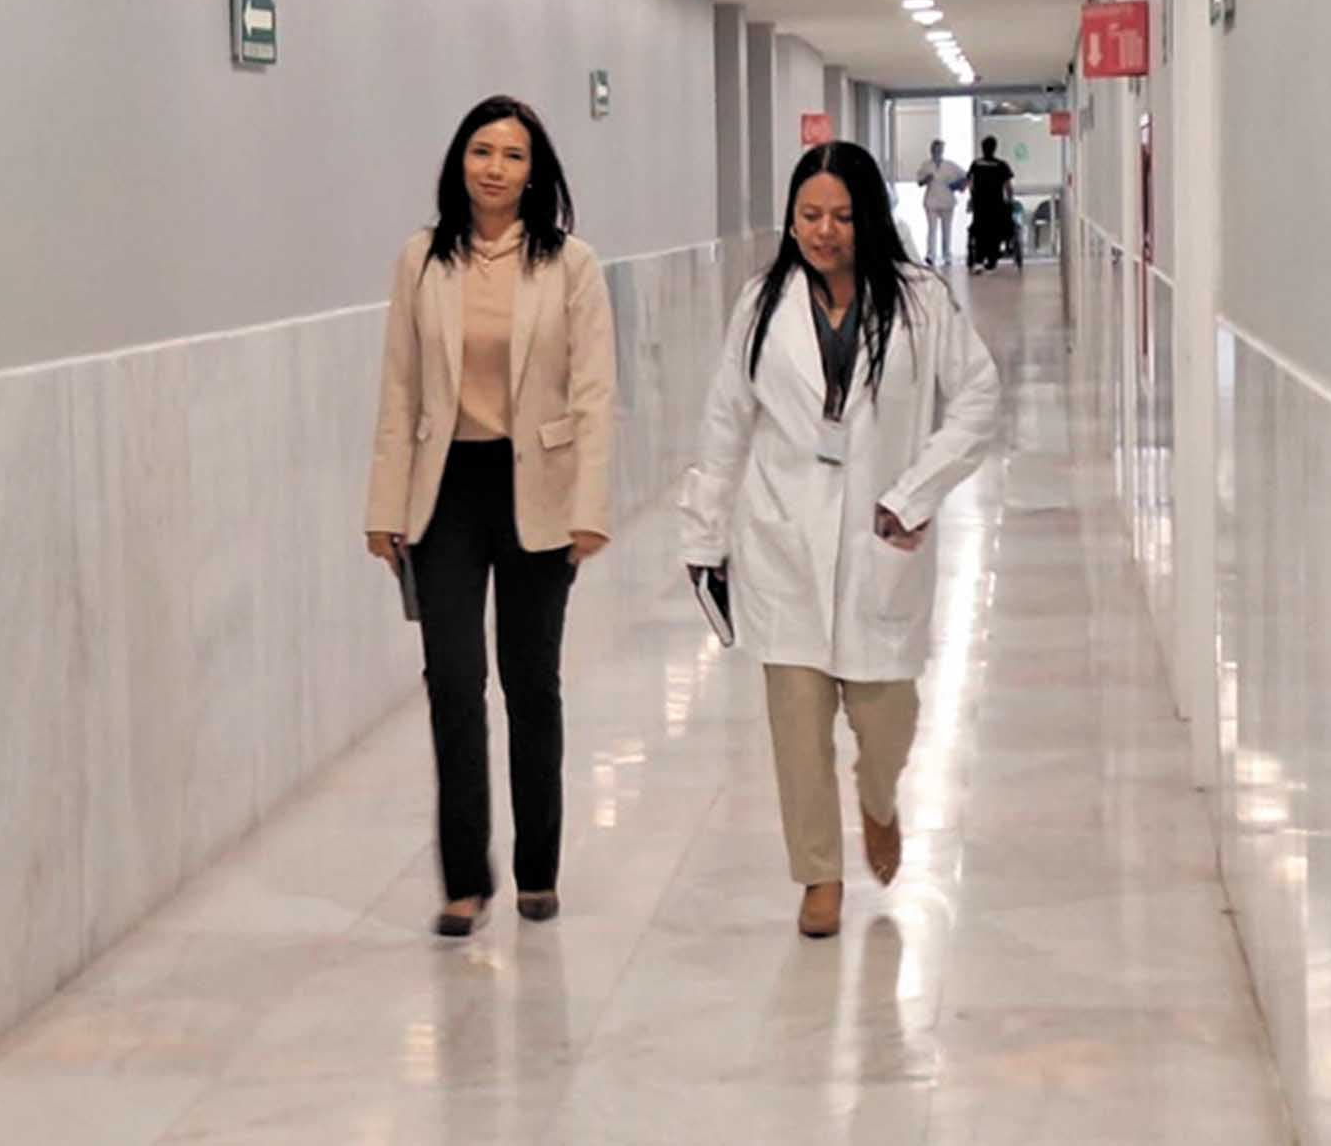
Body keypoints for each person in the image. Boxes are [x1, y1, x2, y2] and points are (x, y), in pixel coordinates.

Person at [678, 140, 1000, 939]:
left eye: (842, 217)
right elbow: (726, 421)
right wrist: (704, 533)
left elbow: (978, 399)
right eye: (809, 215)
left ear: (870, 219)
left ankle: (878, 798)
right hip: (781, 539)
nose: (824, 232)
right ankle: (818, 875)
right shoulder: (761, 304)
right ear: (791, 218)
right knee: (797, 726)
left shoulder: (920, 301)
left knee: (887, 720)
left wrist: (913, 494)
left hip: (877, 537)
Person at [365, 95, 616, 938]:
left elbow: (595, 393)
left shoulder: (569, 264)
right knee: (452, 681)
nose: (495, 169)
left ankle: (538, 868)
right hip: (446, 490)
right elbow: (399, 389)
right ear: (459, 162)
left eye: (512, 155)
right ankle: (464, 879)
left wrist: (589, 508)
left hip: (537, 486)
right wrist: (384, 507)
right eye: (481, 151)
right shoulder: (422, 259)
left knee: (530, 682)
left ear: (534, 172)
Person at [963, 136, 1020, 272]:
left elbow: (970, 183)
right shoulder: (1001, 165)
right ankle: (992, 258)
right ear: (994, 148)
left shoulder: (976, 164)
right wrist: (1010, 200)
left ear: (982, 148)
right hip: (996, 203)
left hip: (980, 203)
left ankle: (979, 258)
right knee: (995, 229)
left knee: (980, 229)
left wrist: (973, 197)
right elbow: (1008, 186)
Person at [912, 139, 964, 269]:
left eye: (940, 149)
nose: (937, 151)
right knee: (932, 229)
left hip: (947, 201)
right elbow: (919, 182)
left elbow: (965, 176)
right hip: (931, 201)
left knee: (947, 230)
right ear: (931, 150)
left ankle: (947, 255)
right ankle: (931, 255)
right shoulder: (926, 165)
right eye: (935, 149)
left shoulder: (950, 165)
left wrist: (958, 186)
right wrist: (926, 179)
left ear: (943, 150)